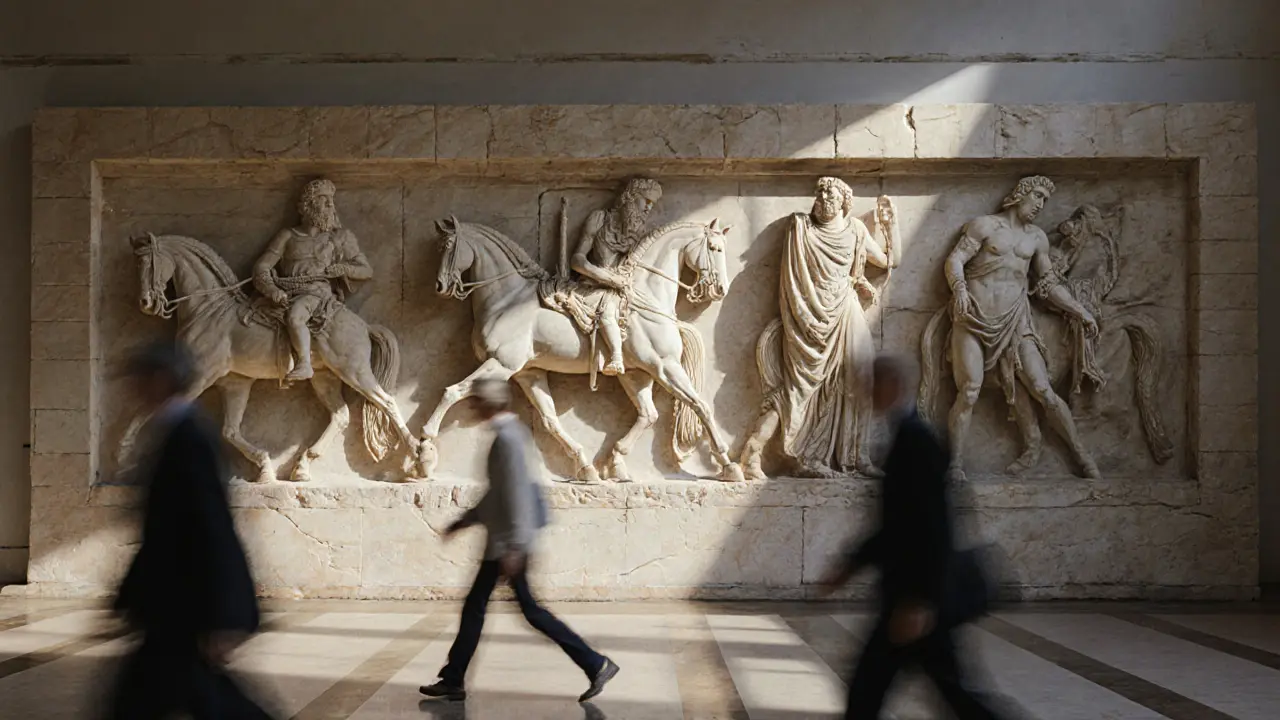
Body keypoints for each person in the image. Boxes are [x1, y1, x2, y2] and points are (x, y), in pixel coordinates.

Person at [820, 354, 1009, 720]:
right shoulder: (905, 436)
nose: (865, 395)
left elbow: (934, 527)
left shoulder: (916, 441)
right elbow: (897, 526)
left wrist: (922, 601)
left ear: (891, 386)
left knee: (870, 693)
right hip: (910, 597)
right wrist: (849, 566)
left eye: (871, 386)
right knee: (949, 693)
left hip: (913, 599)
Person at [106, 340, 278, 720]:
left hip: (186, 606)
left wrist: (226, 613)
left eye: (140, 379)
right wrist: (127, 595)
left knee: (191, 697)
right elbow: (166, 530)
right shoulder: (174, 432)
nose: (132, 389)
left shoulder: (189, 437)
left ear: (162, 379)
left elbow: (211, 525)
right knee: (184, 695)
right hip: (173, 604)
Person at [419, 378, 620, 703]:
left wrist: (514, 546)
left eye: (477, 401)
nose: (473, 406)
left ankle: (596, 663)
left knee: (529, 610)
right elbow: (499, 493)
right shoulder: (504, 435)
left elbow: (516, 495)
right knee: (477, 607)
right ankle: (453, 678)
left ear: (490, 404)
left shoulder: (508, 438)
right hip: (503, 539)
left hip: (510, 542)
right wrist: (464, 521)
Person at [943, 175, 1099, 480]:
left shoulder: (1037, 238)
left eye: (1045, 200)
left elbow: (1048, 285)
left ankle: (1081, 454)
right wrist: (959, 289)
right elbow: (955, 260)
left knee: (1043, 389)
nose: (1040, 205)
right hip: (974, 318)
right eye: (1037, 196)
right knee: (970, 390)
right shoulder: (984, 226)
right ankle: (955, 464)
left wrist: (1080, 311)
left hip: (1015, 321)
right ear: (1020, 194)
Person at [738, 177, 895, 480]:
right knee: (802, 390)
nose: (823, 197)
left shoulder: (856, 231)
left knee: (862, 377)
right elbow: (792, 279)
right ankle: (795, 454)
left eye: (830, 193)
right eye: (820, 192)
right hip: (806, 319)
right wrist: (805, 317)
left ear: (844, 201)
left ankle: (857, 456)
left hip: (846, 313)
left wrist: (891, 225)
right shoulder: (800, 228)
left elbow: (888, 260)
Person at [252, 178, 374, 382]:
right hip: (286, 291)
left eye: (331, 200)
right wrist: (271, 289)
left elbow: (366, 270)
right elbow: (262, 266)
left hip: (317, 293)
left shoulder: (340, 237)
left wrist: (343, 268)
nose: (330, 205)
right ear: (308, 205)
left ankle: (304, 364)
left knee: (295, 316)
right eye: (323, 199)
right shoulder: (287, 236)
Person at [566, 177, 663, 376]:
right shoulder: (599, 219)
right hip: (594, 285)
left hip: (623, 287)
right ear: (630, 197)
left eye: (652, 204)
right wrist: (606, 277)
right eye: (646, 201)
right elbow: (577, 260)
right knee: (607, 308)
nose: (648, 208)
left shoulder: (639, 232)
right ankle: (617, 358)